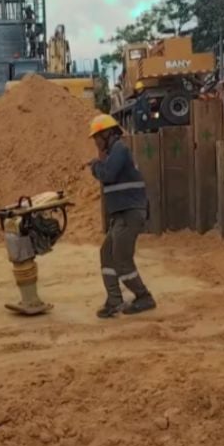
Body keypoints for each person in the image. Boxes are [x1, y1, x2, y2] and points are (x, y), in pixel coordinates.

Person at [87, 114, 156, 318]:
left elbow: (108, 175)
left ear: (107, 134)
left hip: (129, 214)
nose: (96, 142)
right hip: (122, 215)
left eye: (97, 137)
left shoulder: (119, 149)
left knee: (122, 260)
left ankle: (144, 297)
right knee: (106, 254)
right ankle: (114, 300)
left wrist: (94, 166)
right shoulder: (113, 152)